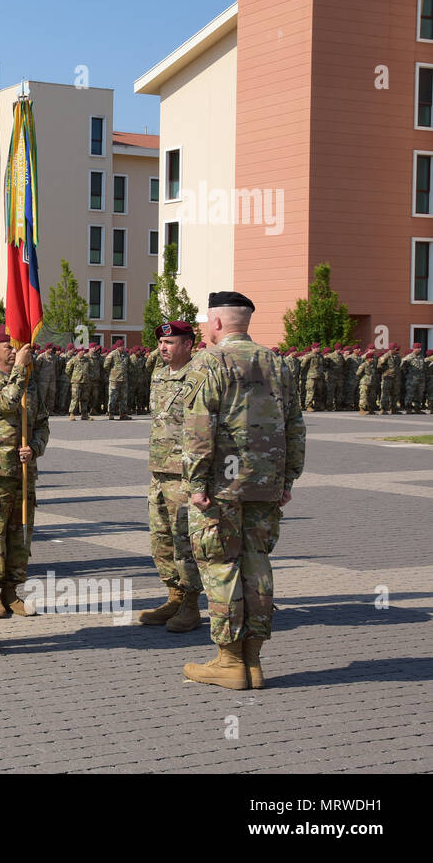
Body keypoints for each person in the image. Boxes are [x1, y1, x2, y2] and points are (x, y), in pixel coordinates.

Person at [181, 292, 306, 690]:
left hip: (221, 486)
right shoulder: (277, 363)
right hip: (264, 484)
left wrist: (196, 483)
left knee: (220, 565)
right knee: (257, 564)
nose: (204, 328)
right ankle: (253, 662)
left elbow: (199, 428)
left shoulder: (209, 361)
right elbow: (296, 426)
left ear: (217, 322)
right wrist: (287, 480)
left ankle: (229, 660)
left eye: (205, 321)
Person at [138, 321, 203, 629]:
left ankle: (191, 604)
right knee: (160, 537)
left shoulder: (199, 376)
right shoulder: (159, 374)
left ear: (188, 344)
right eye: (161, 342)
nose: (162, 347)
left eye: (170, 342)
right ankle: (173, 596)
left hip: (184, 472)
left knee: (185, 540)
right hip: (159, 470)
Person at [0, 326, 49, 619]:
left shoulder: (30, 384)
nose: (14, 351)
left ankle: (13, 589)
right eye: (7, 346)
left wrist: (34, 447)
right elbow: (2, 405)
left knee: (21, 533)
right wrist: (19, 371)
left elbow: (43, 422)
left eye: (16, 346)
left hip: (24, 470)